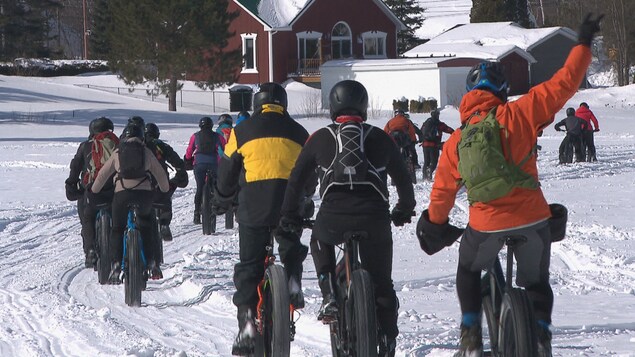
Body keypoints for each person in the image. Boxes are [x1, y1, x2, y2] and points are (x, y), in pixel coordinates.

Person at [416, 13, 602, 357]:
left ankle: (471, 335)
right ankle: (542, 335)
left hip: (485, 225)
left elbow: (441, 193)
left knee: (469, 269)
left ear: (468, 96)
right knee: (536, 282)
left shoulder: (457, 140)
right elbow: (565, 83)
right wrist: (583, 43)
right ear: (502, 92)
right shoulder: (522, 112)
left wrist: (435, 225)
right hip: (532, 218)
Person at [277, 79, 416, 356]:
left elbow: (295, 181)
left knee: (319, 237)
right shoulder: (380, 137)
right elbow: (404, 180)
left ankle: (329, 293)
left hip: (333, 218)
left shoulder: (319, 137)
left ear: (333, 106)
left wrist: (289, 215)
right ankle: (388, 338)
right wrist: (403, 209)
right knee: (382, 282)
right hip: (374, 218)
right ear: (363, 106)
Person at [211, 82, 310, 355]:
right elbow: (310, 172)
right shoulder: (300, 132)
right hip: (289, 205)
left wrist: (221, 199)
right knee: (289, 243)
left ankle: (246, 326)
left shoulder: (241, 131)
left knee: (249, 266)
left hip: (253, 207)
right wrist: (306, 196)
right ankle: (292, 281)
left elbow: (228, 170)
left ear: (257, 104)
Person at [91, 124, 170, 282]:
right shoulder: (146, 151)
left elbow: (102, 176)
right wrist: (164, 190)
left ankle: (114, 265)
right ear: (141, 137)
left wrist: (94, 191)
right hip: (144, 195)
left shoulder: (118, 153)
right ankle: (152, 263)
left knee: (118, 229)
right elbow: (160, 174)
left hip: (122, 193)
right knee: (146, 225)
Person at [65, 117, 118, 268]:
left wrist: (71, 185)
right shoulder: (116, 144)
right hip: (113, 188)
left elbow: (75, 168)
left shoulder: (85, 146)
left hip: (90, 188)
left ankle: (90, 251)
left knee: (87, 218)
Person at [144, 122, 189, 240]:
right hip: (160, 178)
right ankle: (164, 223)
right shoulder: (159, 144)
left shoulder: (139, 145)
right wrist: (181, 173)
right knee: (165, 196)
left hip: (141, 180)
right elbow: (176, 161)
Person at [184, 116, 226, 224]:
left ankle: (197, 213)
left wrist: (188, 160)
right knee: (216, 186)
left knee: (199, 188)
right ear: (211, 125)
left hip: (199, 164)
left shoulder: (195, 136)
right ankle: (216, 206)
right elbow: (226, 148)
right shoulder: (217, 136)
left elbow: (189, 150)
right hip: (213, 163)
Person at [420, 109, 455, 180]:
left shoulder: (426, 123)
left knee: (426, 161)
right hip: (434, 145)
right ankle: (430, 171)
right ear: (437, 115)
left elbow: (421, 132)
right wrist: (454, 133)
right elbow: (449, 130)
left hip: (425, 145)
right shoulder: (439, 124)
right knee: (434, 161)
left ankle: (425, 177)